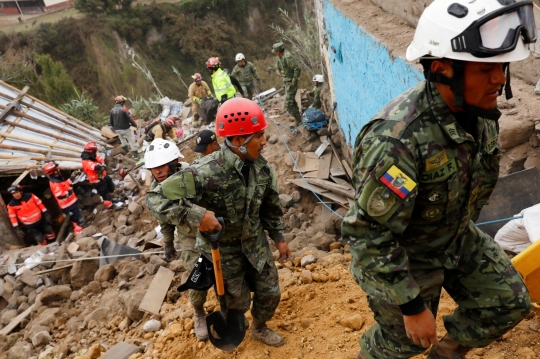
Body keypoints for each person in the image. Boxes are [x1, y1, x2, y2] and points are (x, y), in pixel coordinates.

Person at [342, 1, 536, 358]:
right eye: (486, 69)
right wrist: (412, 306)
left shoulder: (480, 113)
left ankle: (446, 354)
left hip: (454, 236)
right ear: (443, 69)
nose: (500, 79)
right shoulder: (397, 140)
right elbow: (367, 233)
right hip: (404, 255)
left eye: (502, 66)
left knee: (508, 302)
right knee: (402, 341)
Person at [154, 98, 291, 347]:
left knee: (271, 293)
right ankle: (233, 322)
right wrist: (196, 216)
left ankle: (259, 327)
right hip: (223, 253)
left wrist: (279, 238)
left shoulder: (262, 169)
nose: (264, 141)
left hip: (256, 245)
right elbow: (155, 197)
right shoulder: (204, 171)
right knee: (238, 303)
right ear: (238, 140)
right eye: (258, 135)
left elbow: (271, 207)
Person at [146, 138, 213, 340]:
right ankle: (199, 311)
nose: (157, 171)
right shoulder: (156, 189)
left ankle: (229, 309)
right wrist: (167, 241)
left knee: (223, 269)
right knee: (196, 273)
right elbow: (164, 216)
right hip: (188, 235)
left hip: (209, 227)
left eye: (162, 166)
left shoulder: (191, 173)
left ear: (174, 162)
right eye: (153, 168)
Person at [43, 162, 84, 236]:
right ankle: (78, 231)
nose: (58, 170)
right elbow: (60, 195)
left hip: (71, 202)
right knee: (75, 218)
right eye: (56, 169)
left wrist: (73, 176)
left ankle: (79, 228)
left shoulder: (57, 179)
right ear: (53, 172)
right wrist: (69, 192)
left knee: (76, 215)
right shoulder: (55, 183)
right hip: (68, 204)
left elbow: (66, 184)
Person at [81, 142, 115, 209]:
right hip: (97, 181)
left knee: (111, 186)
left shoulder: (93, 156)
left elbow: (100, 159)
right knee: (105, 194)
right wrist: (100, 165)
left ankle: (111, 199)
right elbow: (94, 166)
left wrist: (102, 164)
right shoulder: (85, 160)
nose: (95, 152)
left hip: (103, 176)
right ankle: (110, 206)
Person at [273, 42, 301, 123]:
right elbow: (277, 66)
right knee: (292, 101)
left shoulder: (287, 57)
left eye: (275, 51)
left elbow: (297, 68)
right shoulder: (279, 57)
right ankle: (297, 116)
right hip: (286, 83)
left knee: (288, 104)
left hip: (291, 83)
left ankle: (297, 119)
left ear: (279, 51)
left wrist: (294, 79)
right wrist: (278, 71)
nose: (275, 53)